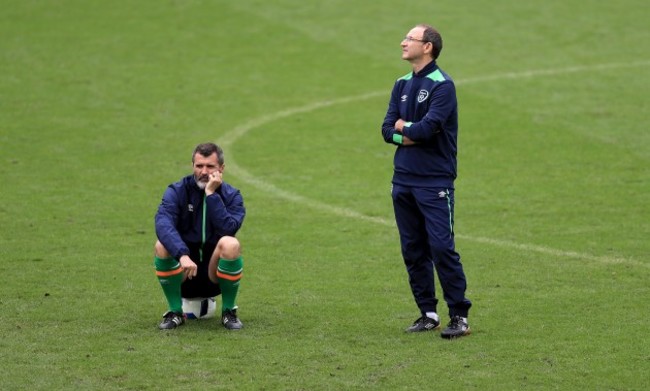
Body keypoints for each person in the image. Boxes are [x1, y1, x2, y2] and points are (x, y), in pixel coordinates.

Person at [381, 24, 472, 338]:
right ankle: (428, 313)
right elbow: (385, 131)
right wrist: (408, 131)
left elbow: (427, 128)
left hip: (435, 182)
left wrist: (404, 129)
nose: (403, 42)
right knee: (413, 249)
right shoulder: (401, 83)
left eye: (410, 38)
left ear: (428, 46)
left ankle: (459, 315)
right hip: (403, 180)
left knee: (441, 247)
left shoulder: (442, 86)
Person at [153, 142, 246, 330]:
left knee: (231, 243)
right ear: (192, 166)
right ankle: (174, 312)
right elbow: (162, 223)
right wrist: (182, 254)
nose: (204, 171)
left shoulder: (232, 195)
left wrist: (211, 194)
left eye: (210, 166)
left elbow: (228, 229)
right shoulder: (177, 191)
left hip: (216, 276)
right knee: (161, 245)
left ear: (221, 168)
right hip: (183, 273)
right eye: (199, 166)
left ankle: (229, 311)